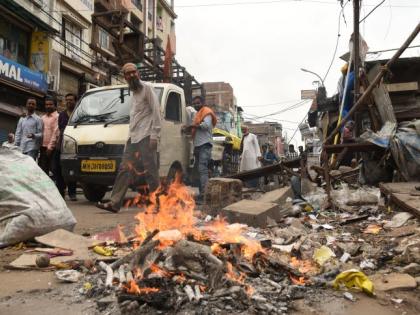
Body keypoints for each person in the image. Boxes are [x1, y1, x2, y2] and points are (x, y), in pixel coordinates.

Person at [97, 63, 161, 212]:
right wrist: (128, 138)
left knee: (151, 171)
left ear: (138, 73)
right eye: (128, 73)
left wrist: (155, 135)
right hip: (133, 137)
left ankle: (157, 205)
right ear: (125, 77)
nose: (132, 75)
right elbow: (135, 118)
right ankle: (114, 203)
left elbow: (157, 112)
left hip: (147, 135)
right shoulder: (132, 93)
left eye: (134, 72)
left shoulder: (147, 88)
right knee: (124, 169)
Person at [187, 96, 217, 200]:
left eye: (198, 103)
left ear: (202, 103)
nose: (196, 105)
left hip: (205, 145)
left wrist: (193, 126)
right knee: (198, 170)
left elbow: (206, 126)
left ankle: (205, 194)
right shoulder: (197, 115)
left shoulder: (206, 112)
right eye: (194, 103)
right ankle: (202, 193)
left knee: (202, 169)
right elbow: (195, 128)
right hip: (198, 145)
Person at [55, 93, 78, 201]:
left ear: (75, 101)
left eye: (71, 100)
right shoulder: (62, 115)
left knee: (71, 169)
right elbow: (60, 129)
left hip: (74, 145)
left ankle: (72, 193)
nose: (68, 102)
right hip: (61, 145)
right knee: (58, 169)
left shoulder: (78, 114)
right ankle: (60, 192)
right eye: (67, 100)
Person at [39, 96, 59, 177]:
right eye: (46, 104)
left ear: (55, 106)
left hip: (52, 149)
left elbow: (56, 133)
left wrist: (50, 147)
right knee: (43, 170)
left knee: (54, 169)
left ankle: (59, 188)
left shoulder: (58, 117)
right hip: (42, 147)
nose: (48, 106)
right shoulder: (42, 117)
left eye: (50, 104)